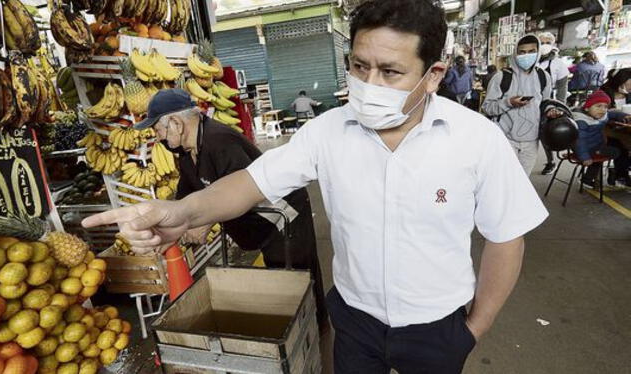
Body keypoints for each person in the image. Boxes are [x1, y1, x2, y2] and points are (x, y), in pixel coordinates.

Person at [83, 1, 549, 372]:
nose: (369, 83)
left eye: (389, 72)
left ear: (433, 75)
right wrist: (182, 213)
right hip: (355, 322)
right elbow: (249, 183)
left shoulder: (475, 139)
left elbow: (506, 237)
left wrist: (475, 328)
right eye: (359, 65)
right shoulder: (328, 131)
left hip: (437, 328)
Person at [131, 89, 328, 327]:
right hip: (259, 224)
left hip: (283, 215)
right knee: (279, 276)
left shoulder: (220, 141)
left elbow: (242, 190)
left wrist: (206, 221)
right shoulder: (185, 151)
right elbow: (186, 194)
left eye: (157, 129)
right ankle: (302, 329)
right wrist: (171, 221)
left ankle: (315, 331)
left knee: (298, 276)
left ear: (175, 123)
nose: (158, 137)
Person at [482, 34, 552, 176]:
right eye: (522, 52)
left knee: (522, 182)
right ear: (515, 53)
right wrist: (509, 102)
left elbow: (545, 104)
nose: (527, 56)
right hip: (505, 139)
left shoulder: (543, 77)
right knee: (501, 180)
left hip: (531, 141)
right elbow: (487, 107)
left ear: (538, 53)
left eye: (531, 52)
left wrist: (551, 111)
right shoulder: (502, 77)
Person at [572, 90, 630, 188]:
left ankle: (587, 179)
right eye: (598, 106)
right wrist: (585, 157)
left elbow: (612, 114)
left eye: (605, 106)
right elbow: (579, 141)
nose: (602, 110)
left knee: (616, 149)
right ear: (587, 108)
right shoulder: (581, 121)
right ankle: (616, 173)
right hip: (585, 149)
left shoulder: (600, 115)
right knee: (618, 151)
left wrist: (624, 116)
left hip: (595, 145)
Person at [537, 32, 571, 175]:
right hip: (530, 102)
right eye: (542, 42)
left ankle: (551, 161)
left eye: (547, 42)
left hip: (548, 104)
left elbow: (563, 88)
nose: (544, 45)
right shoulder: (534, 61)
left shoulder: (558, 64)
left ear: (552, 44)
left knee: (545, 132)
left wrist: (560, 107)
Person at [599, 68, 631, 187]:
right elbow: (595, 114)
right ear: (621, 81)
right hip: (606, 132)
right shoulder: (604, 93)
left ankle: (620, 172)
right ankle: (621, 174)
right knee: (622, 145)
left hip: (626, 130)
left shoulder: (629, 95)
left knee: (626, 142)